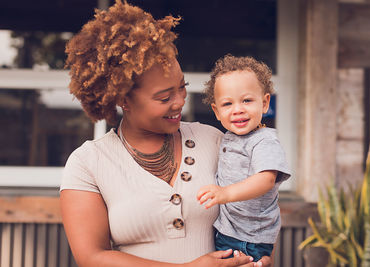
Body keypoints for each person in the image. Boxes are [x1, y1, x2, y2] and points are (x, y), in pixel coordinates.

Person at [60, 1, 272, 266]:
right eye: (164, 97)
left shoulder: (216, 141)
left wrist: (260, 258)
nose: (179, 101)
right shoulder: (88, 163)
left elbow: (257, 208)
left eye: (182, 87)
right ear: (123, 99)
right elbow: (92, 257)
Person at [197, 55, 291, 262]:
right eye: (227, 103)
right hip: (228, 231)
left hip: (249, 237)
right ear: (216, 111)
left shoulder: (264, 140)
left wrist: (225, 193)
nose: (238, 109)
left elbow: (265, 179)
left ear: (265, 103)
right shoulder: (229, 138)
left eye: (247, 100)